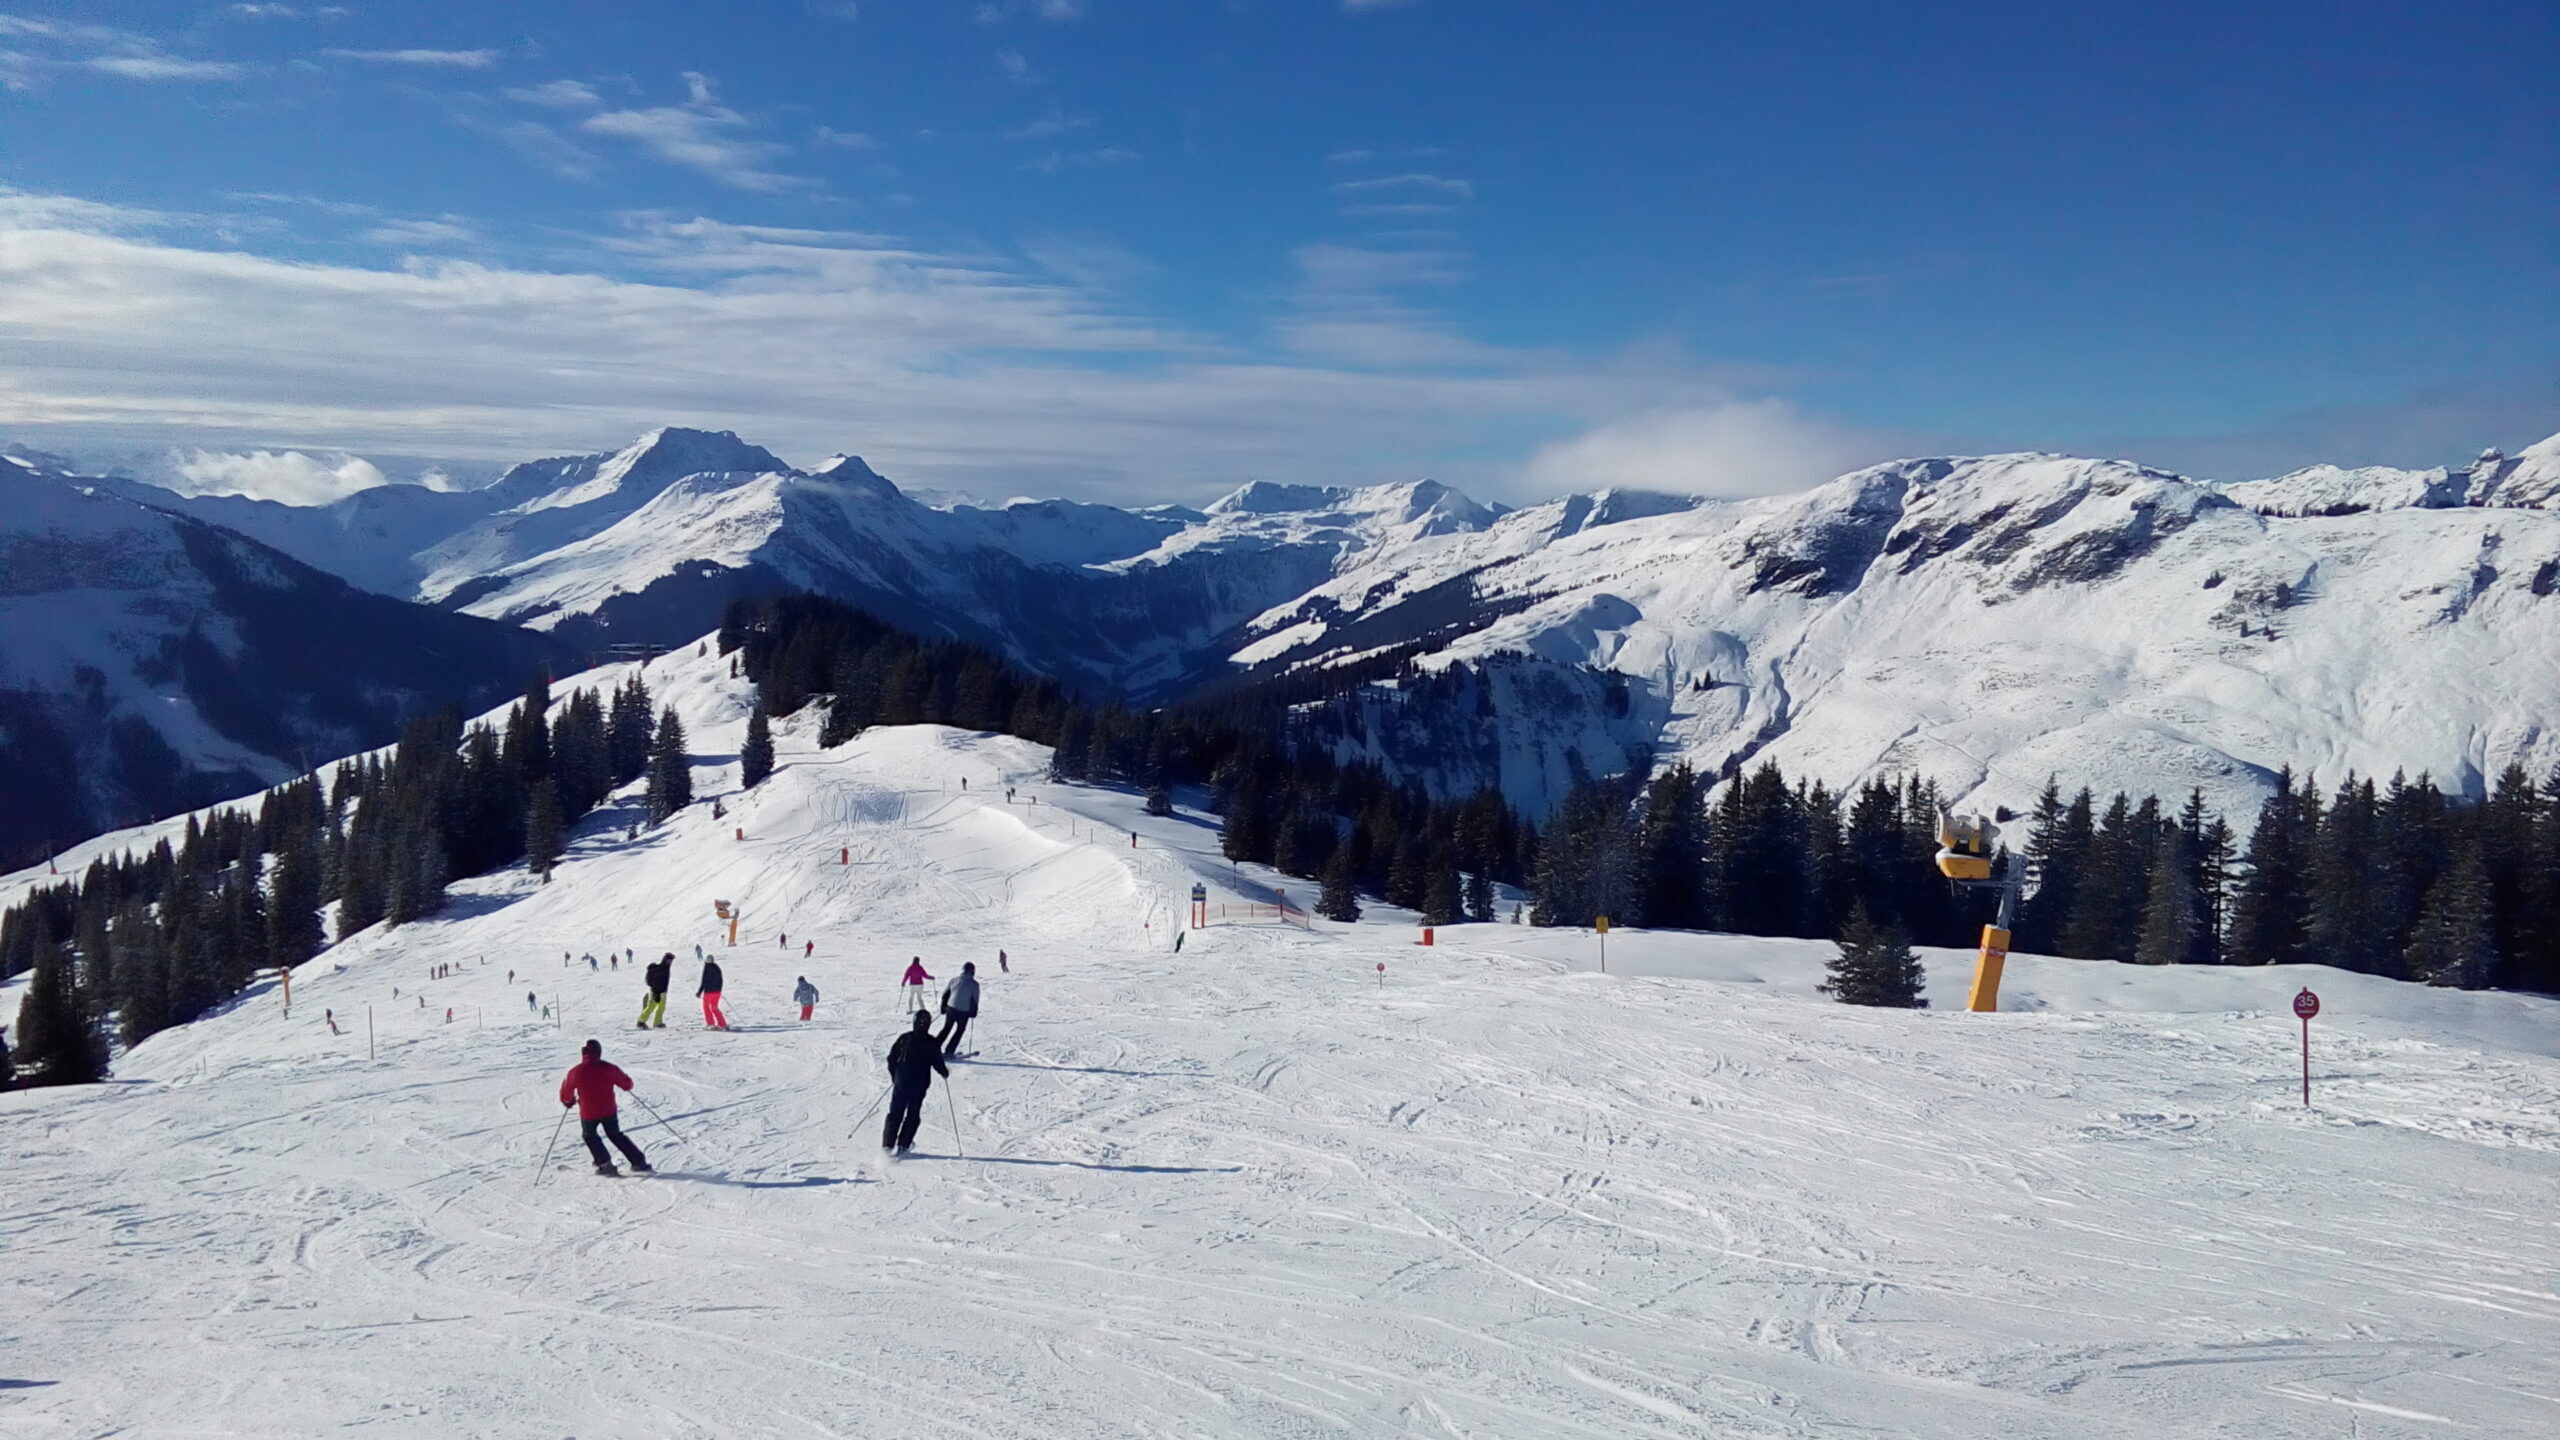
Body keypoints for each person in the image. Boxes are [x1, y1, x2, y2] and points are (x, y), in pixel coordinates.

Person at [558, 1039, 651, 1177]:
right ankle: (638, 1161)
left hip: (588, 1112)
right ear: (599, 1052)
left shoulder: (575, 1071)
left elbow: (566, 1092)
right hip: (608, 1110)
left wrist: (568, 1101)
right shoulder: (609, 1068)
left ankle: (604, 1163)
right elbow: (627, 1084)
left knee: (590, 1136)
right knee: (615, 1135)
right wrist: (625, 1084)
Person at [881, 1010, 947, 1154]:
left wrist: (895, 1075)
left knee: (895, 1113)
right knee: (913, 1113)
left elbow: (892, 1058)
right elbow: (937, 1061)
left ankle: (888, 1144)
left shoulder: (905, 1038)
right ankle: (904, 1144)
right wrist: (944, 1072)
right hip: (919, 1084)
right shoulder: (931, 1042)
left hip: (902, 1082)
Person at [938, 962, 980, 1057]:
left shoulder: (954, 980)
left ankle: (933, 1048)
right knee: (960, 1030)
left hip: (951, 1009)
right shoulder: (974, 984)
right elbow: (974, 1000)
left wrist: (943, 1007)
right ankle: (949, 1051)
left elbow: (945, 994)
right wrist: (973, 1012)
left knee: (946, 1029)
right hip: (963, 1012)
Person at [638, 953, 671, 1029]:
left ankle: (657, 1022)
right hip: (657, 991)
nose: (671, 962)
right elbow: (658, 982)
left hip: (662, 991)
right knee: (651, 1006)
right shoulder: (662, 968)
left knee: (661, 1008)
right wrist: (657, 993)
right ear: (666, 960)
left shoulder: (666, 967)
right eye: (670, 960)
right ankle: (641, 1022)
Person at [697, 956, 728, 1029]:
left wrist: (699, 992)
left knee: (706, 1008)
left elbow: (704, 981)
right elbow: (721, 980)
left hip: (708, 992)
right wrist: (719, 989)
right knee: (714, 1007)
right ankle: (722, 1024)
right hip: (717, 992)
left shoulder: (707, 968)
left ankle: (710, 1024)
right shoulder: (717, 968)